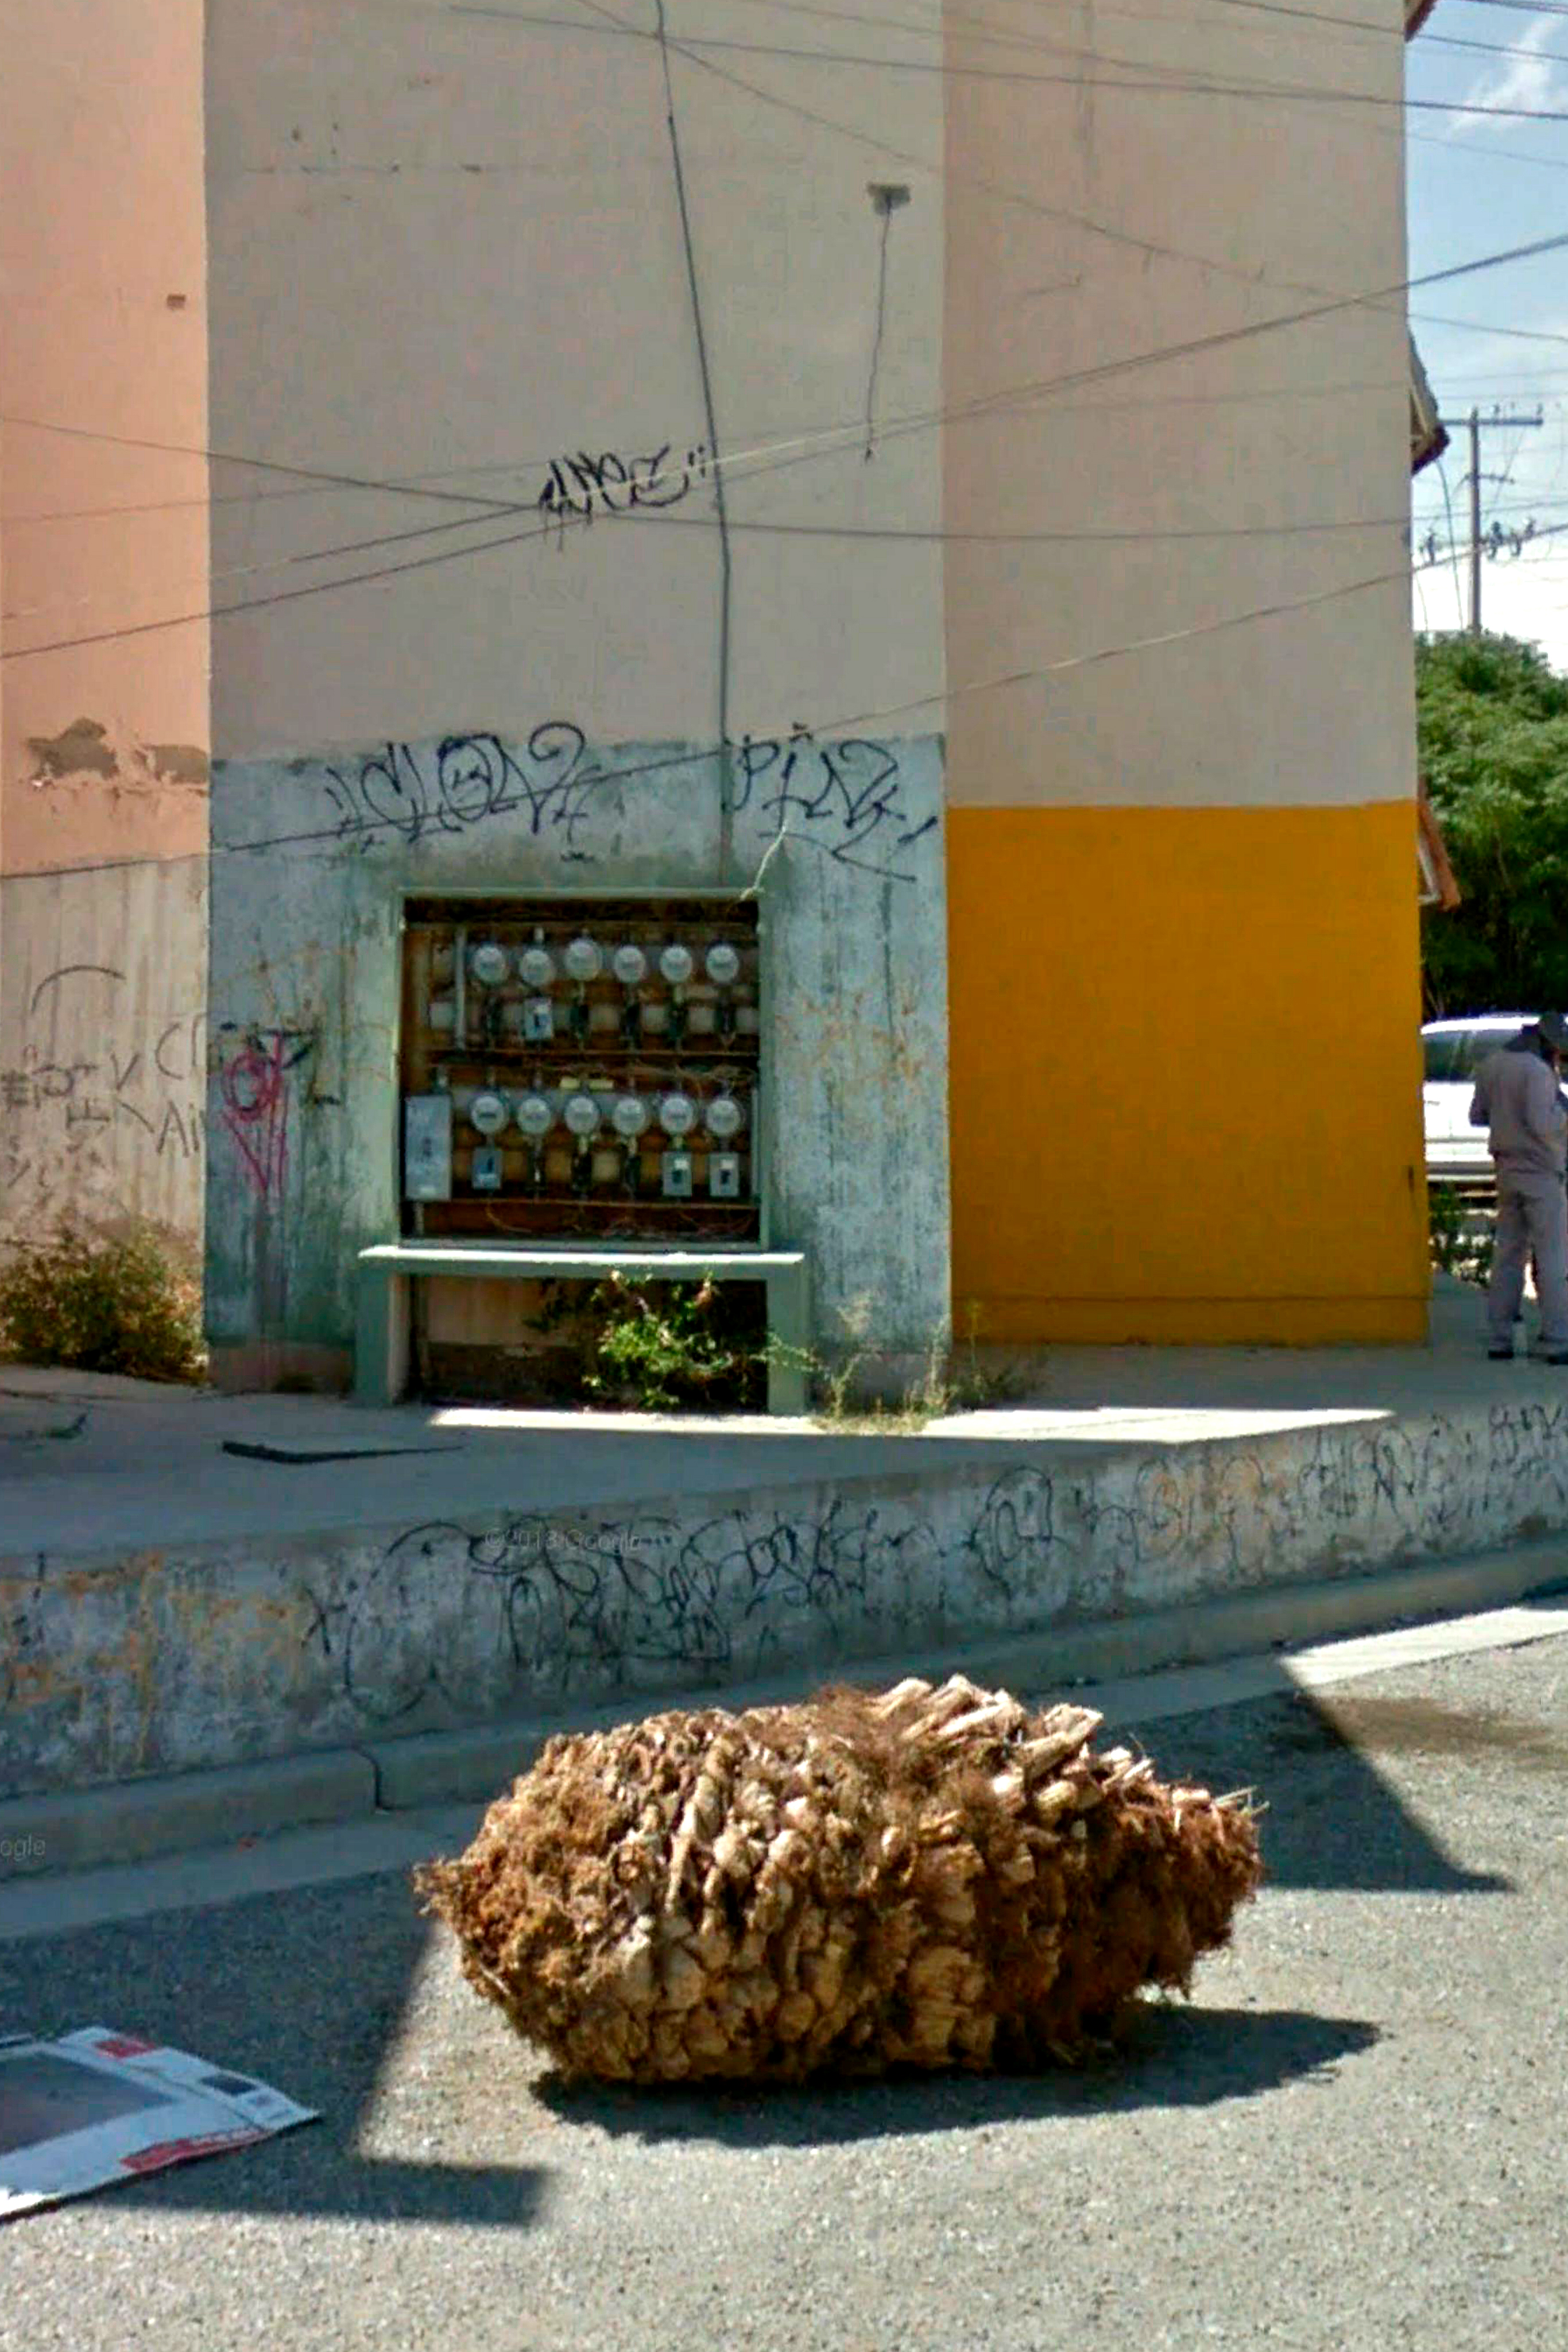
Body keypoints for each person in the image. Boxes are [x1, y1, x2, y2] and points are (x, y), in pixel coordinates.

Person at [1469, 1012, 1568, 1362]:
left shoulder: (1492, 1064)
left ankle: (1500, 1339)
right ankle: (1557, 1339)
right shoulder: (1538, 1073)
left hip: (1506, 1170)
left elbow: (1477, 1115)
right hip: (1541, 1172)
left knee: (1507, 1256)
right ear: (1548, 1044)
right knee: (1553, 1257)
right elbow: (1544, 1123)